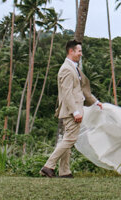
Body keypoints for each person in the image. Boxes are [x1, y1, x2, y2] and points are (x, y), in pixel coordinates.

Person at [41, 40, 102, 178]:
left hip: (75, 108)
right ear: (71, 51)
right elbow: (67, 93)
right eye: (79, 51)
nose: (81, 54)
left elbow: (82, 89)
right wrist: (75, 111)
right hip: (71, 110)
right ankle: (48, 165)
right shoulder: (66, 69)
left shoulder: (74, 67)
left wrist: (95, 102)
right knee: (70, 139)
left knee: (68, 139)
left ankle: (65, 171)